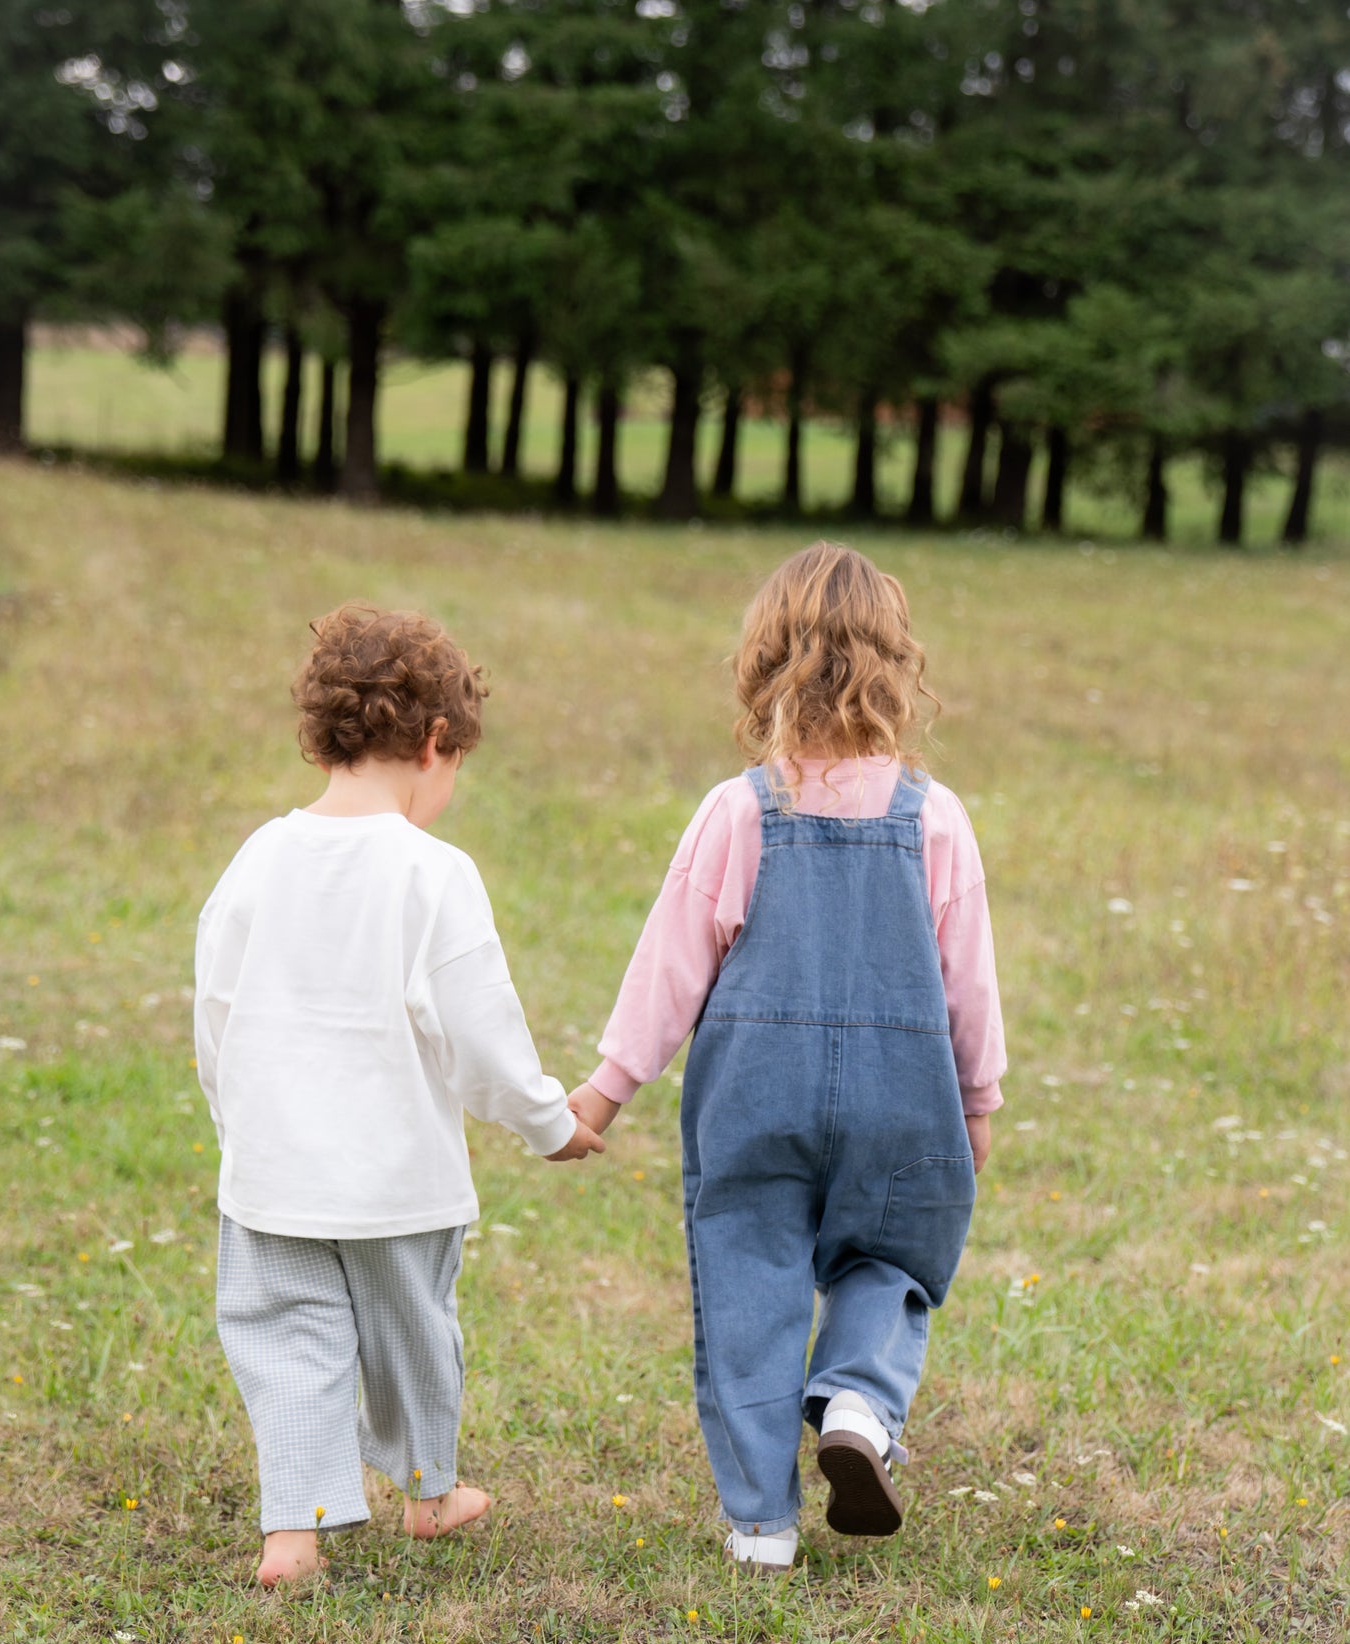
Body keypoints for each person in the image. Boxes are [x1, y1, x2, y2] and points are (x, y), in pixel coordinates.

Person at [568, 543, 1005, 1575]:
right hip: (904, 1099)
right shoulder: (932, 817)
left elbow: (668, 965)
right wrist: (976, 1098)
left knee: (747, 1276)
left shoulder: (738, 809)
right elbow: (967, 981)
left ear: (764, 665)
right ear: (896, 670)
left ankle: (760, 1523)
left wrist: (605, 1089)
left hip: (754, 1096)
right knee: (891, 1258)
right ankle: (855, 1397)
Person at [195, 604, 605, 1587]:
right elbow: (480, 1034)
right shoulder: (433, 874)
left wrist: (235, 1123)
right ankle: (428, 1492)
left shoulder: (256, 858)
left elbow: (215, 1010)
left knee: (286, 1344)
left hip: (273, 1179)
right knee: (412, 1331)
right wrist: (550, 1122)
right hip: (396, 1182)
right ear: (433, 743)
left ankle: (291, 1538)